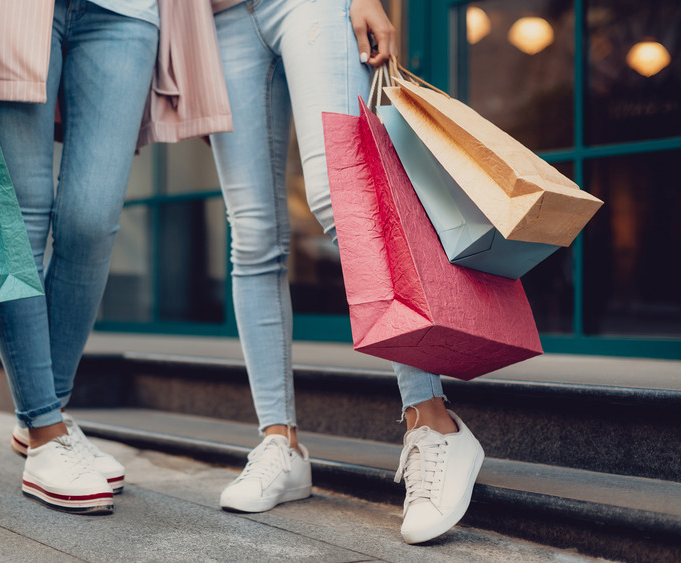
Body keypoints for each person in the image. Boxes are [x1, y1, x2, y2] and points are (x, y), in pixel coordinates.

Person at [206, 0, 485, 544]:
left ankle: (433, 422)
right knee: (253, 233)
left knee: (345, 199)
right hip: (217, 19)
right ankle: (279, 443)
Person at [0, 0, 161, 515]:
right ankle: (47, 429)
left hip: (127, 13)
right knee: (18, 218)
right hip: (12, 10)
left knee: (92, 222)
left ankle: (44, 419)